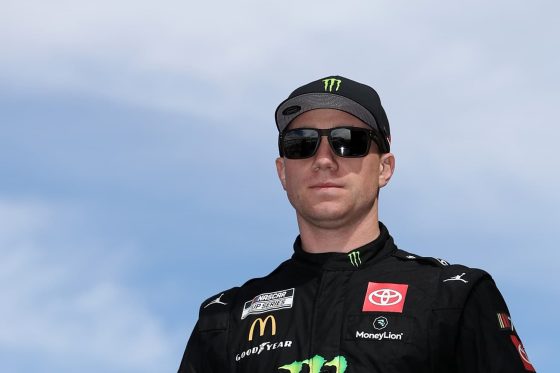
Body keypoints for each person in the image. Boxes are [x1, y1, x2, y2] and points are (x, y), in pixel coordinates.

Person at [178, 76, 536, 372]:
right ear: (282, 171)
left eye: (348, 142)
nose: (324, 160)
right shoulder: (225, 319)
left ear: (385, 167)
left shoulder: (453, 296)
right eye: (301, 144)